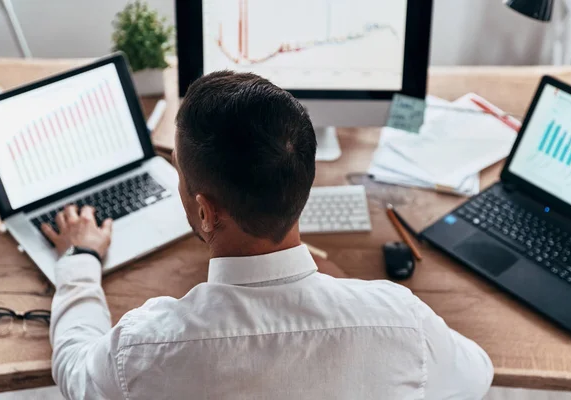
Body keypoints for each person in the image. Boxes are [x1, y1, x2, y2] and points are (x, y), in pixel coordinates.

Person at [44, 71, 493, 400]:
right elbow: (477, 375)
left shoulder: (144, 348)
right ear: (304, 180)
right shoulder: (401, 321)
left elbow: (73, 370)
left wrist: (80, 258)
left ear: (204, 211)